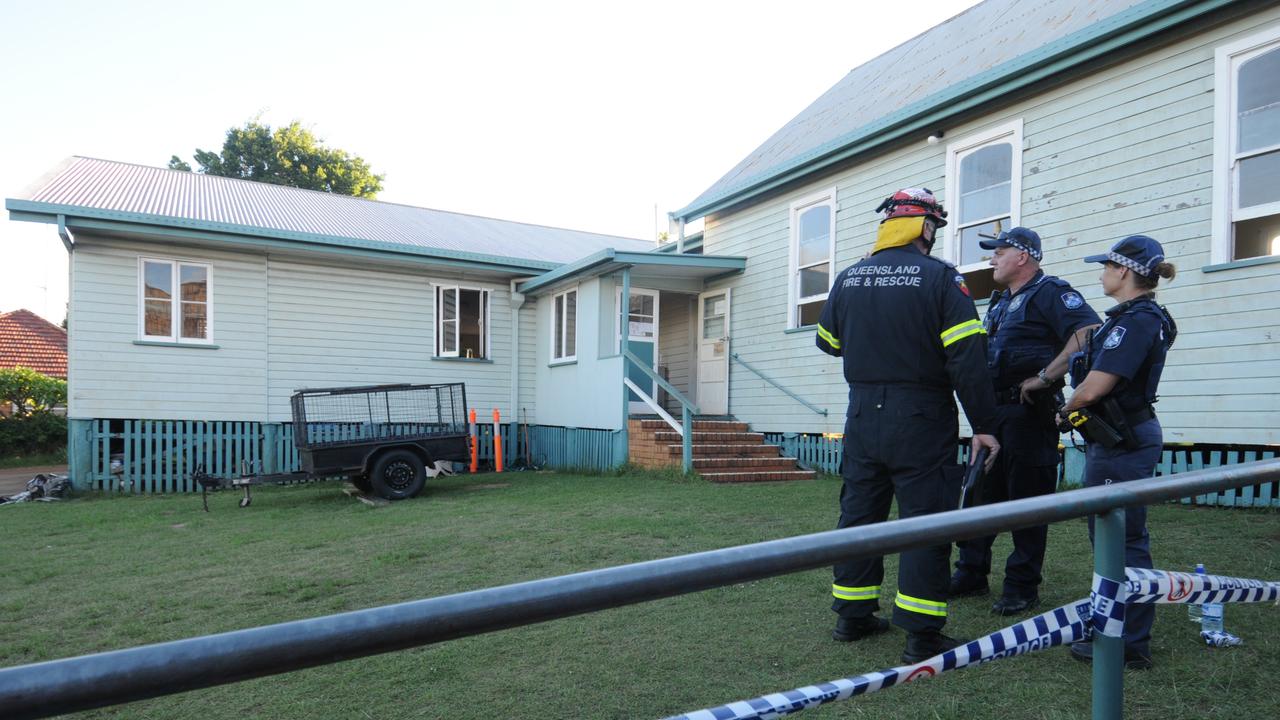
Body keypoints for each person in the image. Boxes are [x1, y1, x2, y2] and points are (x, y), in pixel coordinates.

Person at [815, 187, 1000, 665]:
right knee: (924, 522)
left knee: (859, 516)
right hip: (920, 415)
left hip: (861, 414)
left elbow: (827, 342)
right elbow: (967, 357)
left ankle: (851, 618)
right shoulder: (941, 278)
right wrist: (984, 423)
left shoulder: (850, 276)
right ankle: (921, 636)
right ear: (927, 228)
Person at [950, 227, 1101, 616]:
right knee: (980, 495)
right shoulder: (1000, 303)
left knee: (1028, 503)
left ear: (1023, 256)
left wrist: (1047, 376)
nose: (991, 259)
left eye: (998, 252)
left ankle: (1021, 586)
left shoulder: (1051, 292)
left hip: (1029, 413)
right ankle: (971, 572)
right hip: (994, 414)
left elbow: (1087, 331)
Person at [1058, 235, 1177, 671]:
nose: (1101, 273)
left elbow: (1095, 386)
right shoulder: (1131, 318)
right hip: (1116, 438)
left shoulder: (1137, 321)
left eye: (1105, 266)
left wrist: (1063, 409)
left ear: (1123, 270)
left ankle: (1127, 639)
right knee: (1112, 538)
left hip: (1122, 442)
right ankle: (1116, 626)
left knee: (1121, 540)